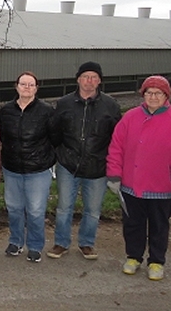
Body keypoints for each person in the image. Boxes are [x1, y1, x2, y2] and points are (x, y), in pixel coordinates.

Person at [106, 75, 171, 281]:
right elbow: (116, 148)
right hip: (131, 185)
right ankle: (133, 256)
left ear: (166, 95)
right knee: (133, 224)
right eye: (149, 93)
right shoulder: (130, 117)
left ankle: (157, 261)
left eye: (158, 93)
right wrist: (114, 174)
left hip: (163, 186)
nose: (153, 97)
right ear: (143, 95)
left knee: (159, 225)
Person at [48, 62, 122, 260]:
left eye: (94, 77)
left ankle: (87, 243)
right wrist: (61, 153)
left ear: (99, 81)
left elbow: (117, 137)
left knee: (93, 210)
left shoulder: (111, 105)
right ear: (78, 79)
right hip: (68, 164)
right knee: (64, 207)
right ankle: (61, 243)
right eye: (85, 77)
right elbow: (55, 131)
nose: (89, 81)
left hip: (97, 166)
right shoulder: (64, 103)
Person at [0, 71, 60, 263]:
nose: (27, 88)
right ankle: (15, 242)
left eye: (31, 85)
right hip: (12, 168)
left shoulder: (47, 111)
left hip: (38, 170)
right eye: (23, 84)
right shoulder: (6, 111)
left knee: (35, 210)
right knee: (14, 208)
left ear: (36, 88)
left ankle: (34, 246)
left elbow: (56, 138)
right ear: (16, 87)